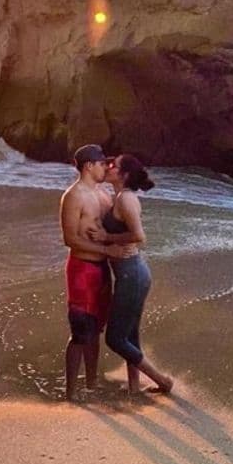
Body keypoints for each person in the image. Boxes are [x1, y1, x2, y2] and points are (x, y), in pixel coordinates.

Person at [92, 153, 173, 395]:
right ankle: (134, 388)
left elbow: (139, 236)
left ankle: (163, 381)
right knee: (129, 335)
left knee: (115, 340)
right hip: (130, 273)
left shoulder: (126, 200)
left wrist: (107, 238)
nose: (108, 167)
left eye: (113, 166)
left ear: (124, 174)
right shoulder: (119, 197)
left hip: (132, 273)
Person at [59, 143, 116, 401]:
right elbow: (70, 239)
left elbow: (114, 228)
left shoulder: (104, 194)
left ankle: (91, 385)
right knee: (80, 332)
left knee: (96, 331)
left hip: (103, 270)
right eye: (102, 163)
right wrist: (105, 251)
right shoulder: (73, 196)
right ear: (88, 165)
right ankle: (70, 393)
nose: (105, 167)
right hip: (82, 269)